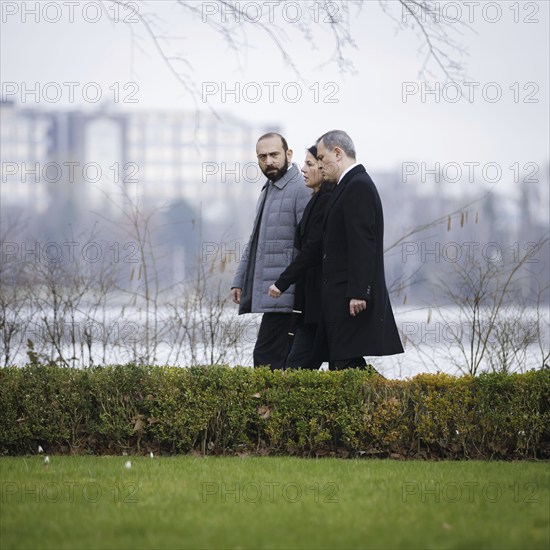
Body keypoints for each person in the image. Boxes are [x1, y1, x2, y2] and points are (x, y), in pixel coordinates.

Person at [269, 130, 403, 370]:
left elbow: (363, 243)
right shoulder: (348, 186)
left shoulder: (357, 185)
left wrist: (360, 291)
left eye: (321, 158)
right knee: (344, 364)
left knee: (345, 364)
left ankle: (396, 403)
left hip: (348, 297)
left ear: (338, 153)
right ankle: (393, 403)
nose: (320, 165)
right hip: (339, 297)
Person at [231, 133, 311, 370]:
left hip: (291, 298)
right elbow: (256, 240)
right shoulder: (269, 189)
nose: (269, 161)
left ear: (288, 154)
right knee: (276, 365)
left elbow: (310, 245)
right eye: (262, 156)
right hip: (276, 299)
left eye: (274, 154)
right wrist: (239, 280)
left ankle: (268, 408)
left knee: (268, 363)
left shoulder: (301, 188)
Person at [268, 145, 335, 370]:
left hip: (319, 301)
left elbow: (312, 249)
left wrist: (282, 282)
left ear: (323, 167)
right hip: (311, 301)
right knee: (342, 364)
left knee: (298, 368)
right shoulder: (316, 200)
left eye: (309, 164)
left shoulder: (326, 201)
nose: (303, 169)